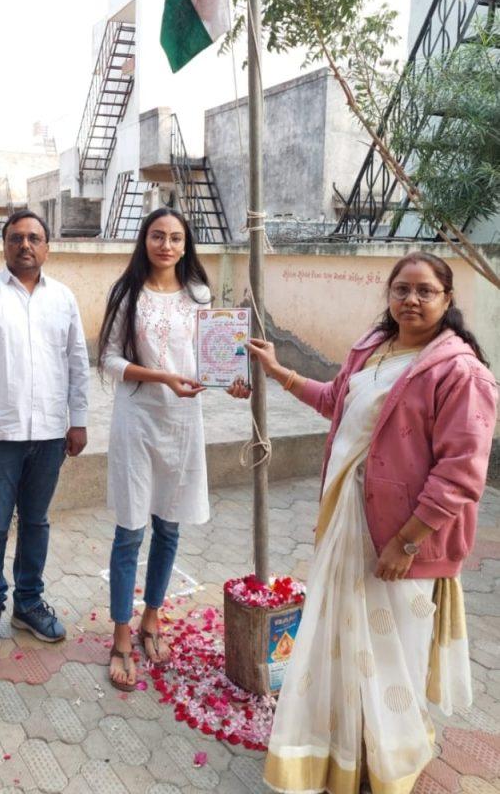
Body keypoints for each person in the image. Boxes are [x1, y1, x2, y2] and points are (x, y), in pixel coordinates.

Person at [228, 252, 497, 794]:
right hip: (347, 521)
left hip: (401, 538)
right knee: (343, 641)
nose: (412, 300)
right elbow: (336, 403)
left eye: (425, 291)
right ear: (389, 295)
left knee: (393, 647)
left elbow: (461, 472)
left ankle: (389, 760)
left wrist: (406, 542)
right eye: (402, 290)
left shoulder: (460, 370)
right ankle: (345, 750)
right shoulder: (373, 349)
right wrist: (280, 374)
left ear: (447, 300)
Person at [0, 209, 89, 653]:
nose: (25, 245)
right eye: (15, 238)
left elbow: (76, 363)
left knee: (36, 522)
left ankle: (28, 603)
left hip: (48, 433)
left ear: (47, 247)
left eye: (34, 238)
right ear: (3, 244)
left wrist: (78, 419)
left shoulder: (63, 298)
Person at [97, 208, 211, 692]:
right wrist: (162, 375)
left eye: (176, 238)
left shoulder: (199, 296)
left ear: (186, 246)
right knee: (130, 530)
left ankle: (151, 619)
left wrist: (234, 381)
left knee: (169, 527)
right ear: (145, 240)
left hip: (183, 423)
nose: (166, 245)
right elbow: (108, 360)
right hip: (138, 421)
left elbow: (213, 356)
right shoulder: (126, 293)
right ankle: (121, 634)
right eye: (158, 236)